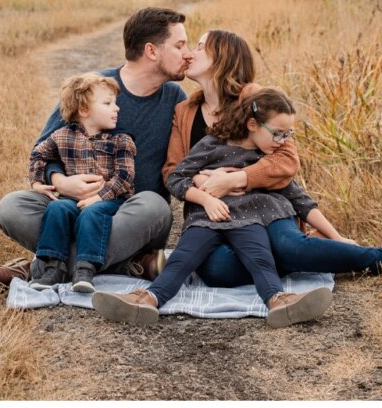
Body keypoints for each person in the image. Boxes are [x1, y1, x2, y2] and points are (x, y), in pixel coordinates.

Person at [162, 29, 382, 288]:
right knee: (218, 270)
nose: (189, 54)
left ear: (223, 59)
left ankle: (378, 258)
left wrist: (238, 178)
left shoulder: (254, 99)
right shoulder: (184, 110)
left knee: (289, 246)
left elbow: (286, 161)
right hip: (215, 215)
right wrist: (205, 180)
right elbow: (173, 171)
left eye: (199, 47)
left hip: (264, 205)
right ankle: (310, 256)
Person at [0, 7, 193, 290]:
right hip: (73, 207)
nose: (188, 53)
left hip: (129, 217)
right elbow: (45, 151)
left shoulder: (175, 99)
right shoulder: (92, 89)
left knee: (155, 206)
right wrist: (62, 182)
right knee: (11, 207)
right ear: (151, 51)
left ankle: (39, 267)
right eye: (180, 45)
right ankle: (129, 264)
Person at [92, 88, 333, 328]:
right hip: (206, 216)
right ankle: (146, 299)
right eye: (279, 134)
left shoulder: (269, 152)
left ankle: (279, 301)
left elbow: (292, 185)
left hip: (247, 216)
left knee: (260, 257)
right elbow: (176, 178)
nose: (282, 141)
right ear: (251, 124)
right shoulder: (212, 144)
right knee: (182, 257)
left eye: (286, 135)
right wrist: (205, 197)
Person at [27, 74, 136, 293]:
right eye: (107, 104)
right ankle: (53, 268)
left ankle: (85, 269)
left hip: (110, 200)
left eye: (115, 103)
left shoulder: (120, 140)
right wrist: (37, 183)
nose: (117, 109)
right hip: (72, 199)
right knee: (56, 208)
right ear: (84, 110)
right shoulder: (62, 136)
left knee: (92, 213)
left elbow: (125, 176)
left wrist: (99, 196)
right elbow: (38, 154)